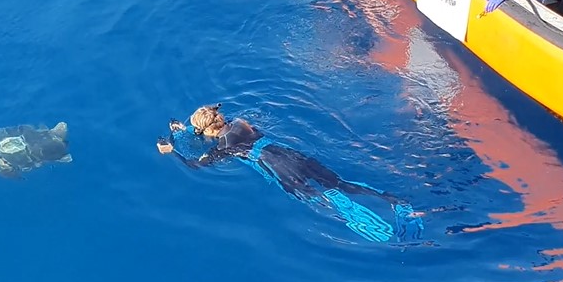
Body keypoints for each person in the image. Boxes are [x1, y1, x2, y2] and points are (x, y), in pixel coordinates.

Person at [156, 104, 424, 243]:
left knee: (317, 197)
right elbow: (214, 128)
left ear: (206, 131)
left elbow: (196, 164)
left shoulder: (223, 148)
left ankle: (360, 220)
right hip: (289, 153)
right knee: (340, 183)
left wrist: (173, 151)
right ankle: (395, 202)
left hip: (278, 168)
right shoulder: (240, 123)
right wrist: (189, 129)